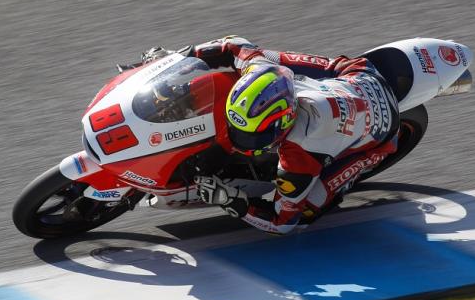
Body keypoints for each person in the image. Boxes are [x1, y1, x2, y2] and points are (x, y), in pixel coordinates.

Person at [142, 36, 400, 235]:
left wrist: (232, 200)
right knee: (267, 61)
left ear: (284, 123)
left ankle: (345, 180)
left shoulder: (299, 154)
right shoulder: (260, 67)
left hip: (381, 134)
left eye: (253, 136)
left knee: (305, 213)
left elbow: (281, 223)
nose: (240, 140)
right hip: (356, 73)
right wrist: (177, 61)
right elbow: (232, 45)